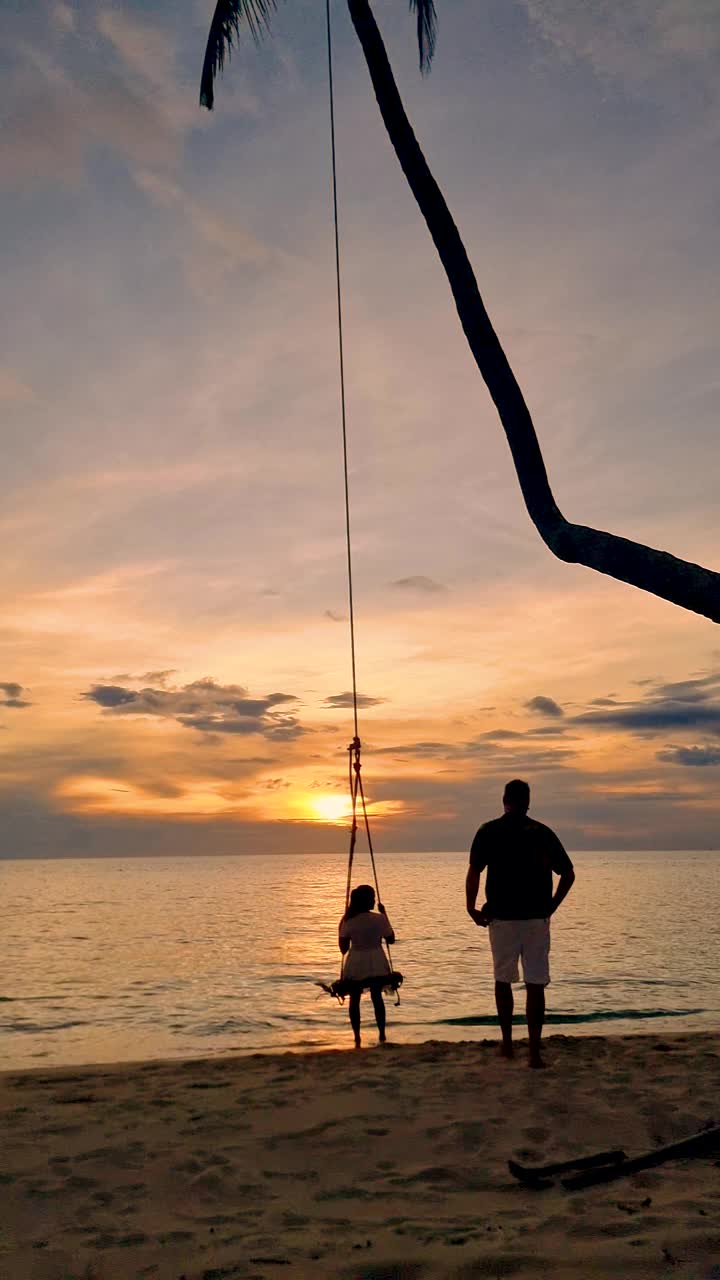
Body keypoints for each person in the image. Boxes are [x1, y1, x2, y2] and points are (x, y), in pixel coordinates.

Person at [466, 779, 575, 1068]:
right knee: (535, 983)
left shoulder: (489, 831)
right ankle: (535, 1053)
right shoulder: (541, 832)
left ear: (504, 800)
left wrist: (470, 908)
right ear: (528, 802)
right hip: (534, 918)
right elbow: (568, 874)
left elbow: (474, 871)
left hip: (503, 918)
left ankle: (508, 1044)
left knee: (503, 980)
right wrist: (551, 905)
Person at [339, 885, 395, 1049]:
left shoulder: (348, 921)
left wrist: (341, 925)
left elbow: (343, 949)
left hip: (356, 962)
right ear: (366, 901)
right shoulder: (379, 919)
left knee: (354, 1000)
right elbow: (390, 939)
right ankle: (382, 1034)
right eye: (372, 898)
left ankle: (357, 1037)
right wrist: (385, 914)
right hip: (376, 961)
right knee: (376, 997)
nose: (374, 900)